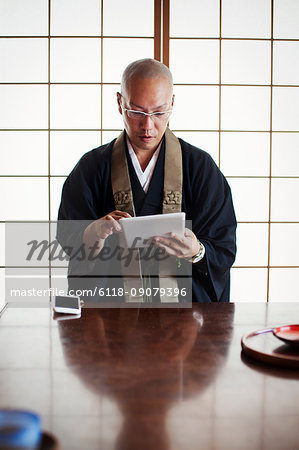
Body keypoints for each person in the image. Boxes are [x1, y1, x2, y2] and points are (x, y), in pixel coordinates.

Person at [57, 58, 236, 303]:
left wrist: (196, 251)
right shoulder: (91, 168)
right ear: (120, 103)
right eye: (137, 112)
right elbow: (69, 240)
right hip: (112, 317)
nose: (147, 125)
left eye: (159, 112)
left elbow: (223, 246)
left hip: (185, 322)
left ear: (172, 104)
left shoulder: (200, 167)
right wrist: (94, 233)